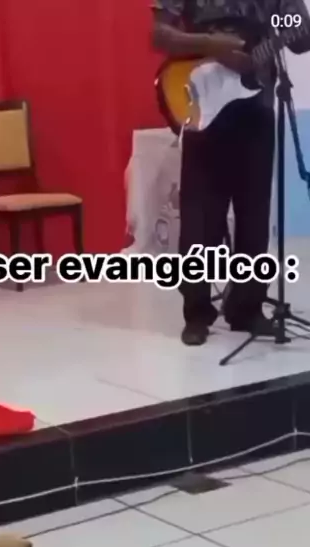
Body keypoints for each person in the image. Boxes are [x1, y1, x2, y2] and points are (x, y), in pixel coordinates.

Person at [152, 0, 310, 345]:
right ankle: (197, 313)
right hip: (203, 105)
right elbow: (159, 35)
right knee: (199, 218)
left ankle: (247, 309)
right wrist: (212, 46)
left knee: (254, 216)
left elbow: (301, 41)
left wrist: (297, 22)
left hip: (257, 108)